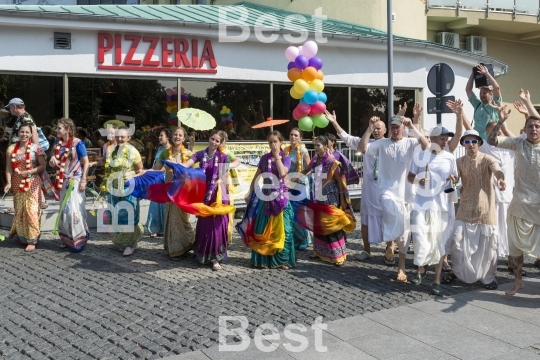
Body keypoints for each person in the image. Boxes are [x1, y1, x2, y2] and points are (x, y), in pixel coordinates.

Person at [363, 115, 429, 282]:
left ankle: (401, 266)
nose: (394, 129)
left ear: (402, 128)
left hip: (406, 195)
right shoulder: (382, 143)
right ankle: (390, 240)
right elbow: (363, 148)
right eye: (392, 126)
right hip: (386, 191)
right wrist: (370, 129)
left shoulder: (409, 142)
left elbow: (426, 145)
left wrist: (412, 126)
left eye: (397, 126)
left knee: (405, 236)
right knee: (389, 207)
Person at [487, 98, 540, 296]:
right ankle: (518, 282)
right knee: (516, 247)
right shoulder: (518, 143)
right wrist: (500, 122)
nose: (534, 129)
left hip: (539, 207)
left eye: (537, 126)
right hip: (519, 205)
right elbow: (492, 140)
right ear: (524, 129)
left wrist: (528, 103)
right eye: (530, 126)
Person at [444, 129, 505, 290]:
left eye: (474, 141)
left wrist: (500, 179)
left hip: (485, 210)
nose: (471, 144)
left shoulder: (487, 159)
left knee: (489, 247)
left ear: (479, 143)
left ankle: (489, 277)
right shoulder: (459, 161)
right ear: (463, 144)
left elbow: (497, 169)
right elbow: (455, 178)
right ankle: (457, 272)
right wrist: (452, 179)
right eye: (467, 141)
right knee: (456, 241)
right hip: (465, 208)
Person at [326, 111, 386, 261]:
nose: (377, 131)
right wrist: (334, 122)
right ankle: (366, 250)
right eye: (375, 128)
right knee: (365, 220)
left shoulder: (390, 144)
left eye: (379, 128)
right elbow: (347, 138)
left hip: (386, 187)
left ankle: (390, 248)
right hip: (369, 189)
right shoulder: (366, 143)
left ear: (385, 130)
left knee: (388, 218)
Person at [407, 127, 458, 295]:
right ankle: (421, 268)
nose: (445, 142)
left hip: (441, 207)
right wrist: (419, 180)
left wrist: (453, 180)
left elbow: (455, 179)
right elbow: (410, 177)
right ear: (433, 139)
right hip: (422, 204)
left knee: (439, 244)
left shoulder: (450, 157)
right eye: (442, 139)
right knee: (420, 239)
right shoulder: (420, 156)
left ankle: (436, 280)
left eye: (446, 139)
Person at [237, 131, 296, 270]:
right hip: (266, 197)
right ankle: (263, 260)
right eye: (270, 142)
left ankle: (283, 260)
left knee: (285, 231)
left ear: (281, 142)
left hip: (281, 197)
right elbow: (257, 177)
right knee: (262, 229)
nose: (273, 144)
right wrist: (250, 191)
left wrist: (277, 157)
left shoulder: (286, 158)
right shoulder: (264, 159)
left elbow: (282, 173)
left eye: (275, 141)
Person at [182, 130, 240, 270]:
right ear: (209, 138)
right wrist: (175, 165)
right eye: (212, 139)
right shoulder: (200, 154)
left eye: (217, 141)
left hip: (220, 194)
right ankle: (202, 254)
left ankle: (215, 257)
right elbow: (186, 165)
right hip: (204, 194)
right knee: (204, 223)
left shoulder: (223, 157)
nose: (214, 142)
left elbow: (236, 162)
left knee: (218, 225)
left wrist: (226, 166)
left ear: (220, 143)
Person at [296, 135, 355, 266]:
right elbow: (306, 170)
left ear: (325, 146)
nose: (316, 148)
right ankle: (319, 251)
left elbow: (340, 182)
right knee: (319, 223)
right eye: (315, 145)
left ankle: (337, 255)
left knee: (331, 225)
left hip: (331, 197)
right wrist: (296, 178)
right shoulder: (315, 159)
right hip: (317, 196)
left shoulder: (333, 162)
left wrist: (342, 200)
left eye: (318, 145)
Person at [153, 127, 196, 259]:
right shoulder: (165, 152)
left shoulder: (189, 154)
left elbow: (194, 174)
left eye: (180, 135)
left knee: (181, 219)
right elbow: (156, 169)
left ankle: (191, 242)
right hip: (168, 189)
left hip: (181, 190)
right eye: (175, 134)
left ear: (184, 138)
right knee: (170, 217)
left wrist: (178, 166)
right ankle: (174, 248)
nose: (177, 137)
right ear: (172, 137)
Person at [4, 124, 47, 252]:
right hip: (17, 183)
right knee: (20, 211)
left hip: (33, 182)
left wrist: (30, 172)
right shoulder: (11, 149)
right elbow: (8, 168)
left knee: (31, 210)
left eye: (27, 132)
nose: (24, 134)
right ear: (18, 133)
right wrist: (8, 183)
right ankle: (23, 237)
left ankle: (32, 239)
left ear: (30, 134)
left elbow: (43, 166)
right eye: (22, 132)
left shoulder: (36, 148)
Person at [50, 118, 90, 252]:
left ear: (67, 129)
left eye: (59, 128)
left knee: (75, 211)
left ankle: (79, 239)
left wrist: (84, 180)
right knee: (64, 211)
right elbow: (53, 158)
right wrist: (52, 159)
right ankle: (67, 238)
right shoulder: (57, 142)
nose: (57, 130)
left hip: (75, 180)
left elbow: (86, 162)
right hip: (62, 180)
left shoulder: (78, 143)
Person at [103, 126, 144, 256]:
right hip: (114, 188)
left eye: (123, 136)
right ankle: (124, 240)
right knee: (117, 214)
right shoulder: (112, 150)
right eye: (118, 136)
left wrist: (131, 172)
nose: (120, 139)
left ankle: (130, 244)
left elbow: (141, 170)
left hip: (128, 187)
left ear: (128, 138)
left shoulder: (133, 151)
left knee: (128, 214)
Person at [283, 127, 312, 250]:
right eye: (291, 134)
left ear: (300, 138)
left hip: (301, 184)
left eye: (295, 135)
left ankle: (305, 239)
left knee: (300, 212)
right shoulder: (286, 150)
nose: (293, 137)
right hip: (289, 184)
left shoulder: (304, 151)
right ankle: (296, 238)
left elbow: (309, 168)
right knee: (290, 212)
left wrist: (298, 178)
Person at [465, 64, 502, 140]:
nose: (482, 95)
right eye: (481, 93)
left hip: (490, 141)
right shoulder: (477, 104)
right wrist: (473, 74)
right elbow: (468, 90)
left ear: (491, 93)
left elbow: (497, 88)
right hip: (478, 141)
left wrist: (486, 74)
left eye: (484, 93)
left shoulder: (495, 104)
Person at [146, 128, 171, 238]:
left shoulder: (171, 150)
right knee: (155, 204)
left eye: (162, 135)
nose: (160, 138)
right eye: (159, 136)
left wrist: (146, 172)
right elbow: (156, 164)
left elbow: (163, 169)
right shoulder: (160, 148)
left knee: (164, 205)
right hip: (156, 179)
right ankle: (154, 228)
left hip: (165, 180)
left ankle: (165, 228)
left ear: (168, 137)